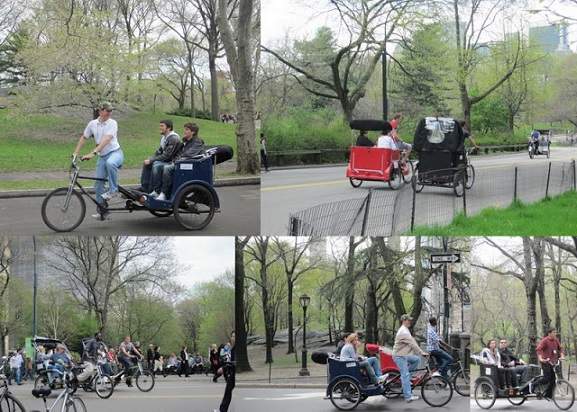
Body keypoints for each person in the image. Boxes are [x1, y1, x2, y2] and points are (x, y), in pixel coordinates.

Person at [73, 102, 124, 219]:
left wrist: (93, 153)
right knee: (98, 185)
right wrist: (75, 153)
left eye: (111, 111)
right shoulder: (92, 124)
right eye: (107, 110)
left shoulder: (112, 123)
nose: (110, 113)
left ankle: (113, 190)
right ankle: (102, 211)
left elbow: (106, 140)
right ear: (100, 111)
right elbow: (84, 137)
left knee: (110, 163)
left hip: (115, 153)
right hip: (102, 156)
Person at [156, 123, 205, 201]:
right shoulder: (186, 141)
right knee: (158, 166)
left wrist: (176, 161)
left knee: (167, 168)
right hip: (181, 163)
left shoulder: (197, 142)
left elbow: (189, 154)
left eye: (187, 130)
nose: (184, 131)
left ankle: (164, 193)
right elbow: (179, 153)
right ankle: (157, 191)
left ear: (193, 132)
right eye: (185, 129)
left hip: (190, 166)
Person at [392, 314, 429, 403]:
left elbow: (413, 341)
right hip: (399, 356)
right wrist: (421, 352)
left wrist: (419, 352)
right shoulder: (403, 332)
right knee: (405, 375)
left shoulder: (406, 330)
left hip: (404, 355)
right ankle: (408, 397)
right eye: (408, 320)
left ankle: (405, 379)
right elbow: (412, 344)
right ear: (404, 321)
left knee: (416, 360)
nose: (410, 322)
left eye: (410, 320)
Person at [139, 120, 181, 196]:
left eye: (162, 126)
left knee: (156, 165)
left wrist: (152, 160)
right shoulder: (164, 138)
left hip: (172, 162)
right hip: (167, 160)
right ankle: (145, 188)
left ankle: (156, 191)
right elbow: (159, 151)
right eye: (160, 125)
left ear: (168, 128)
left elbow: (167, 156)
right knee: (148, 163)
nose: (160, 128)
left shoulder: (173, 138)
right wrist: (150, 159)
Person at [536, 327, 564, 400]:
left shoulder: (556, 340)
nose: (555, 334)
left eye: (555, 332)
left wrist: (562, 356)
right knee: (546, 379)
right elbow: (539, 349)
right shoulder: (545, 341)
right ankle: (534, 384)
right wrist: (541, 358)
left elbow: (560, 348)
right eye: (554, 332)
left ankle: (548, 395)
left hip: (553, 362)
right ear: (549, 333)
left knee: (553, 380)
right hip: (546, 362)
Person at [215, 331, 236, 412]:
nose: (234, 338)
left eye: (235, 336)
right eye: (233, 336)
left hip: (235, 374)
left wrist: (223, 368)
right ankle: (222, 410)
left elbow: (234, 362)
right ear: (231, 338)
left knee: (228, 391)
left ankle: (222, 410)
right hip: (233, 373)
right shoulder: (232, 348)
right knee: (228, 392)